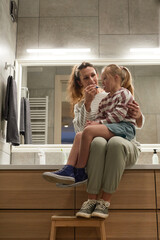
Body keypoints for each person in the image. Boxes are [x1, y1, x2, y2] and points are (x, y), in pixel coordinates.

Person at [43, 62, 144, 219]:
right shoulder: (84, 104)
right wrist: (88, 104)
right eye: (86, 78)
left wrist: (138, 115)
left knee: (115, 143)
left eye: (94, 75)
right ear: (80, 82)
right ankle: (87, 194)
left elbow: (134, 123)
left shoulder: (120, 92)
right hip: (100, 138)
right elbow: (82, 132)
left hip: (123, 138)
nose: (92, 80)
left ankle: (94, 189)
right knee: (96, 142)